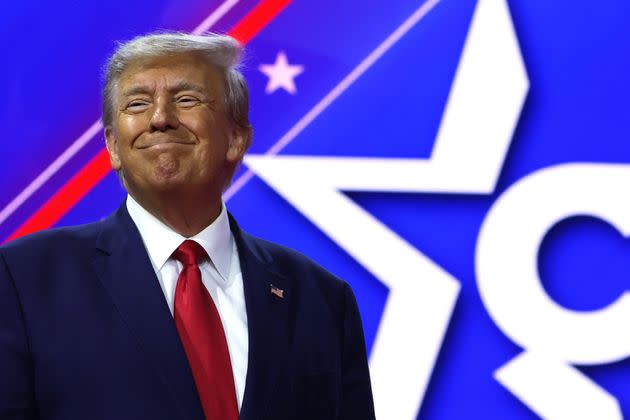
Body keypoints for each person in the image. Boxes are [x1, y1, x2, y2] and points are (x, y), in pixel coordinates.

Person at [0, 32, 375, 419]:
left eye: (186, 99)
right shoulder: (23, 281)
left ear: (235, 137)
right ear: (112, 146)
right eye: (138, 104)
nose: (160, 118)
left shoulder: (321, 299)